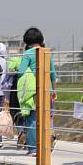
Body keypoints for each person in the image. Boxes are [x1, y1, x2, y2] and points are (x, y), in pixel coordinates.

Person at [16, 27, 57, 157]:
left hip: (33, 91)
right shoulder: (47, 53)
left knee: (32, 119)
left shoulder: (27, 54)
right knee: (46, 117)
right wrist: (54, 89)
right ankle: (46, 144)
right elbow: (52, 73)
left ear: (27, 40)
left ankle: (33, 149)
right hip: (47, 89)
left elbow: (21, 71)